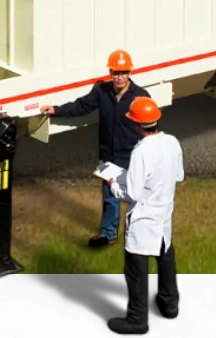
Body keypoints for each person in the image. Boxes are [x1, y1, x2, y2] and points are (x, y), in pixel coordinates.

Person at [39, 49, 150, 247]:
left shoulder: (140, 96)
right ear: (110, 72)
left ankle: (140, 235)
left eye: (124, 72)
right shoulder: (101, 91)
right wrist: (56, 110)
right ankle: (108, 235)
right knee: (110, 197)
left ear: (130, 73)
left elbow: (149, 126)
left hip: (133, 157)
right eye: (116, 72)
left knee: (139, 198)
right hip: (109, 156)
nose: (120, 77)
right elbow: (81, 106)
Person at [103, 96, 183, 333]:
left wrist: (113, 183)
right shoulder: (172, 142)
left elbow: (133, 193)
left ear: (136, 124)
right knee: (166, 257)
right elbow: (177, 175)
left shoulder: (141, 152)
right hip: (164, 214)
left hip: (144, 219)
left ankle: (137, 319)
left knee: (136, 272)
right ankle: (171, 306)